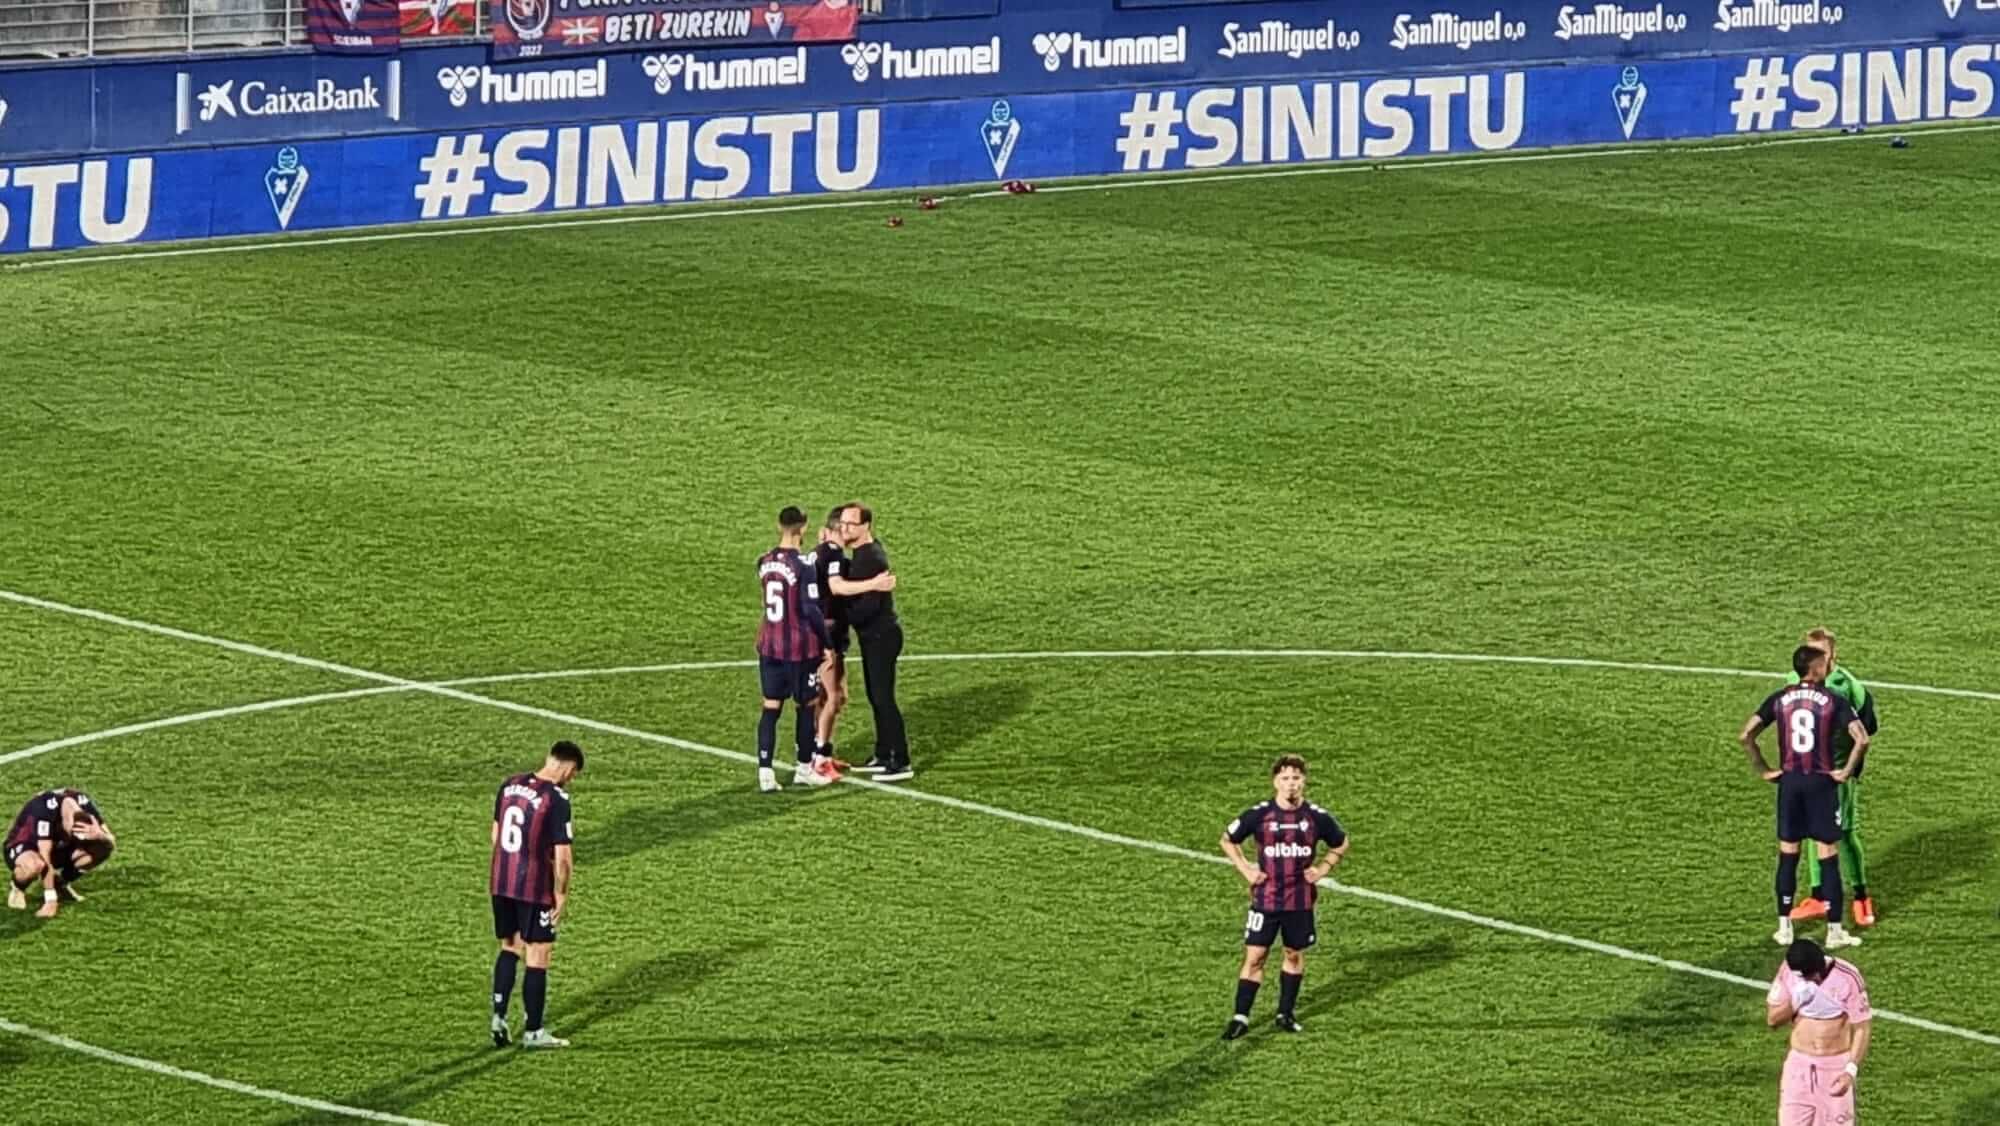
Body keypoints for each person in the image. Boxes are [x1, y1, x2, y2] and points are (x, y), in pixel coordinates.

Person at [1740, 646, 1871, 950]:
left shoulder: (1780, 698)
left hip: (1791, 784)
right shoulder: (1832, 700)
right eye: (1824, 663)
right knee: (1828, 855)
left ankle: (1784, 926)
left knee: (1788, 854)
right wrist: (1846, 771)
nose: (1828, 667)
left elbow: (1746, 735)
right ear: (1814, 668)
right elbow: (1862, 738)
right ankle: (1835, 931)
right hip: (1821, 785)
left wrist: (1763, 768)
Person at [1218, 754, 1349, 1040]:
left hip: (1300, 902)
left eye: (1296, 778)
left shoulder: (1316, 817)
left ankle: (1285, 1013)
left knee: (1293, 953)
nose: (1291, 784)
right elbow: (1228, 840)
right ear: (1276, 781)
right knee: (1255, 957)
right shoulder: (1260, 814)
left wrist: (1323, 868)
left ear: (1304, 781)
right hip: (1266, 900)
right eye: (1286, 778)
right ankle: (1240, 1017)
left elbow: (1341, 842)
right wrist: (1245, 870)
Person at [490, 740, 584, 1050]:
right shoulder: (556, 799)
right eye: (573, 774)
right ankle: (533, 1032)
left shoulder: (509, 784)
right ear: (567, 767)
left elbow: (495, 835)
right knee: (538, 953)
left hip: (501, 881)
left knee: (509, 945)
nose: (571, 779)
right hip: (532, 885)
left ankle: (499, 1016)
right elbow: (564, 858)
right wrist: (561, 894)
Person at [1787, 628, 1881, 927]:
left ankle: (1861, 897)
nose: (1814, 661)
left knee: (1846, 833)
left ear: (1833, 656)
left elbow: (1869, 729)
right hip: (1807, 772)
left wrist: (1850, 769)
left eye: (1821, 655)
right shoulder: (1793, 682)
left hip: (1839, 774)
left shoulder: (1848, 687)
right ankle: (1817, 896)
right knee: (1814, 832)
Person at [757, 506, 835, 792]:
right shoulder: (803, 565)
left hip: (769, 645)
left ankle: (765, 773)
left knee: (770, 708)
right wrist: (826, 643)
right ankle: (803, 769)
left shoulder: (763, 561)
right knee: (806, 707)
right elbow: (810, 609)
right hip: (800, 649)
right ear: (803, 528)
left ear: (779, 526)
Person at [830, 503, 908, 781]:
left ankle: (900, 761)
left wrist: (838, 614)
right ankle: (883, 753)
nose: (845, 528)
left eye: (851, 524)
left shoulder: (870, 559)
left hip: (881, 636)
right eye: (843, 523)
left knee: (884, 698)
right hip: (874, 636)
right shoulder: (863, 555)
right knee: (877, 697)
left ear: (866, 526)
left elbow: (867, 609)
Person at [1766, 937, 1872, 1124]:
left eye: (1810, 975)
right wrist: (1794, 1002)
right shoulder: (1788, 971)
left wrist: (1850, 1070)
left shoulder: (1847, 977)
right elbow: (1772, 1020)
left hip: (1834, 1069)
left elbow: (1862, 1026)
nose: (1810, 980)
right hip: (1798, 1068)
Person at [6, 788, 115, 919]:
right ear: (66, 822)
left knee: (102, 847)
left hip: (57, 846)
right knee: (35, 865)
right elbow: (45, 856)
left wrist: (100, 835)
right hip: (27, 845)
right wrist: (50, 900)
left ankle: (60, 884)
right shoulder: (44, 808)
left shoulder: (84, 803)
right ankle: (18, 887)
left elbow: (111, 842)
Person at [804, 508, 852, 770]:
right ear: (838, 528)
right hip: (826, 633)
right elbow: (835, 587)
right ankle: (820, 758)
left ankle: (818, 751)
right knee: (834, 696)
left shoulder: (816, 551)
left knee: (829, 696)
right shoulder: (832, 551)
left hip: (819, 629)